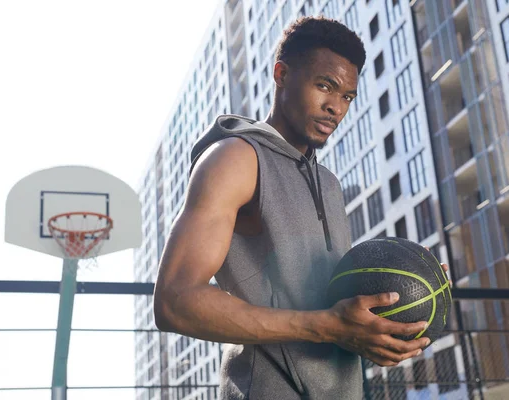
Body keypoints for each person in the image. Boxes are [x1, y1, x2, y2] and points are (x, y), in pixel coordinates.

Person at [154, 16, 448, 399]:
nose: (336, 108)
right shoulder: (235, 160)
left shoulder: (329, 183)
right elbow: (175, 301)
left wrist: (402, 297)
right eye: (324, 86)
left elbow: (338, 308)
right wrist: (326, 326)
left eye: (347, 96)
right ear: (281, 74)